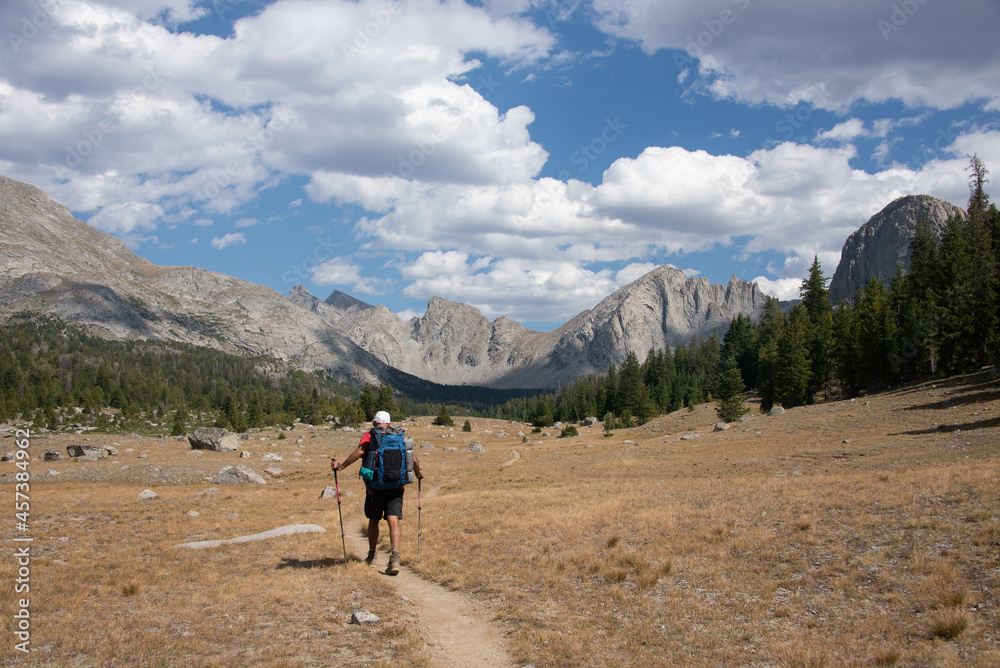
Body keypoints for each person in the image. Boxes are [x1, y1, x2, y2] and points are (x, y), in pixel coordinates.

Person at [331, 411, 423, 575]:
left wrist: (341, 466)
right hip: (396, 486)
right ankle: (394, 558)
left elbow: (360, 452)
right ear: (388, 423)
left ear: (374, 423)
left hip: (376, 486)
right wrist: (418, 473)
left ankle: (372, 556)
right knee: (393, 520)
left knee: (374, 520)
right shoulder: (397, 436)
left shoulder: (370, 436)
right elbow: (413, 459)